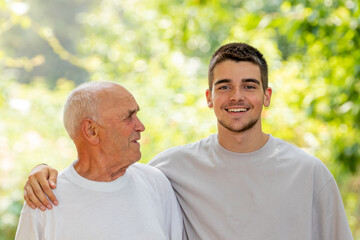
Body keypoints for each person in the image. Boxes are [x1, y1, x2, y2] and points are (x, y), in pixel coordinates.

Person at [22, 43, 353, 240]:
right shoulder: (171, 169)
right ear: (209, 97)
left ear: (266, 96)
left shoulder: (310, 173)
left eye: (249, 86)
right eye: (224, 86)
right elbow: (100, 175)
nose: (237, 97)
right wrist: (42, 170)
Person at [16, 82, 183, 239]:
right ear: (91, 130)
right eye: (129, 117)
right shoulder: (44, 201)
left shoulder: (155, 182)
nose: (141, 126)